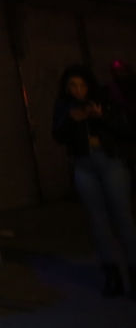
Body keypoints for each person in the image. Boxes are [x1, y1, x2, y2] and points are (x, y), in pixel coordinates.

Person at [52, 66, 136, 298]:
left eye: (82, 85)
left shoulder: (105, 100)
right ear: (66, 87)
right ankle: (112, 275)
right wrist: (70, 120)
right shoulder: (64, 106)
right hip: (83, 165)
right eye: (73, 86)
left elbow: (127, 128)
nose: (78, 90)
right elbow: (57, 135)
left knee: (122, 218)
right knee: (97, 221)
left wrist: (102, 117)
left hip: (110, 162)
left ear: (89, 85)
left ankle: (134, 272)